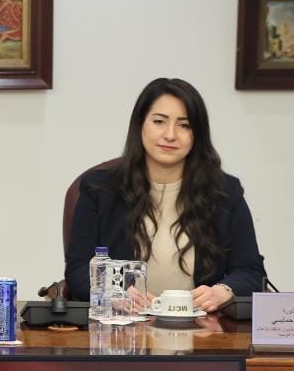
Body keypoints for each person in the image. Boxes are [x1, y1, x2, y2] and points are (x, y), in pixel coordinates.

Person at [64, 78, 266, 312]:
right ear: (140, 124)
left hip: (202, 327)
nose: (170, 135)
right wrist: (113, 294)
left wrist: (222, 291)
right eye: (159, 121)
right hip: (123, 325)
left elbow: (250, 271)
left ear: (197, 134)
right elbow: (78, 270)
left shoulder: (224, 192)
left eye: (184, 125)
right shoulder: (100, 189)